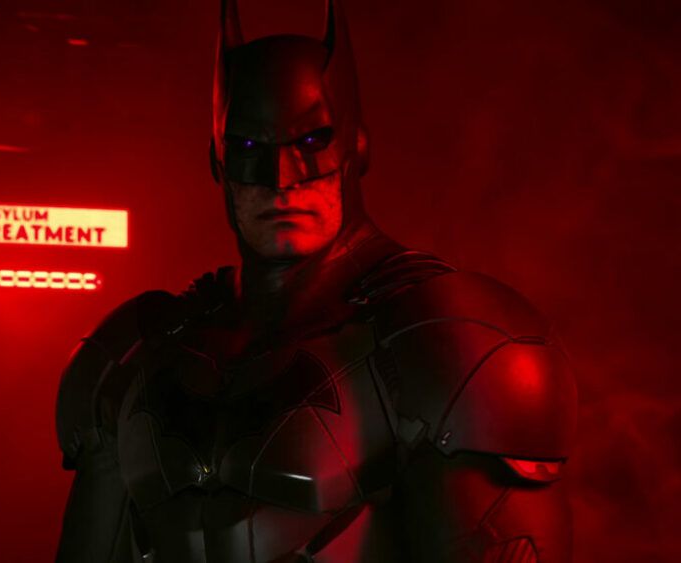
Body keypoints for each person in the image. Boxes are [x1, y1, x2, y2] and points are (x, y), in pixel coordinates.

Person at [54, 0, 577, 561]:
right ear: (218, 161)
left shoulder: (448, 342)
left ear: (356, 146)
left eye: (310, 143)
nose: (281, 180)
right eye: (249, 149)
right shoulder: (136, 351)